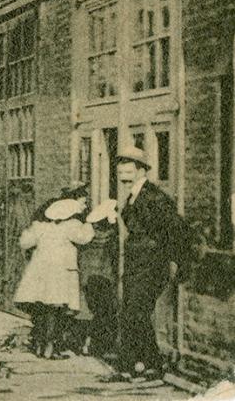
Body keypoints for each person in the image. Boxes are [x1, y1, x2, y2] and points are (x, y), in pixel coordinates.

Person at [94, 150, 196, 383]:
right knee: (132, 313)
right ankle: (134, 367)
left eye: (128, 171)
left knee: (136, 313)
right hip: (136, 264)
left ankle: (149, 366)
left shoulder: (153, 196)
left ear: (141, 170)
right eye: (120, 172)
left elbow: (175, 229)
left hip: (151, 264)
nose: (123, 177)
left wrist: (174, 261)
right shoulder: (133, 195)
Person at [14, 191, 94, 358]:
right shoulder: (71, 226)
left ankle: (40, 346)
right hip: (60, 273)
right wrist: (88, 223)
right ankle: (51, 347)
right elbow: (85, 238)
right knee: (55, 310)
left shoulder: (41, 226)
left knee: (42, 309)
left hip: (40, 272)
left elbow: (24, 242)